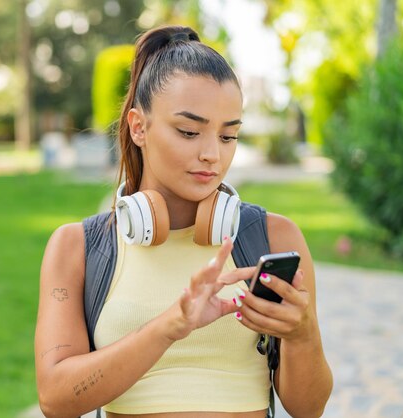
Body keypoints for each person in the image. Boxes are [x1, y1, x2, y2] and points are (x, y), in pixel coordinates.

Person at [35, 25, 332, 418]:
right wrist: (171, 325)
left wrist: (302, 332)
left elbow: (309, 409)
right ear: (138, 126)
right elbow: (56, 399)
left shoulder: (273, 237)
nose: (212, 154)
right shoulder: (78, 247)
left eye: (228, 137)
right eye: (190, 131)